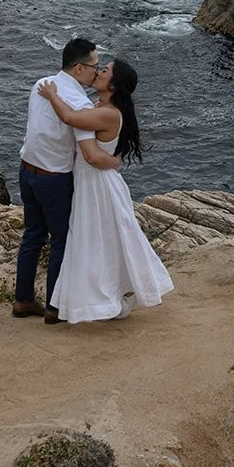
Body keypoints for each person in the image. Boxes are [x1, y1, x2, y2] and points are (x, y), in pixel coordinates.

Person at [37, 57, 174, 324]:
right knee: (104, 240)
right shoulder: (101, 107)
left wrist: (52, 94)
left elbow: (69, 118)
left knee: (96, 241)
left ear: (113, 85)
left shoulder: (108, 113)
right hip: (96, 181)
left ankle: (104, 299)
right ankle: (106, 298)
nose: (99, 72)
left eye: (106, 70)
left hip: (97, 185)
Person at [13, 37, 118, 322]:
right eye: (95, 66)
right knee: (61, 241)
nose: (97, 73)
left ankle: (22, 300)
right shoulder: (80, 104)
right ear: (79, 68)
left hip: (27, 170)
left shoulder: (42, 84)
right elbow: (89, 153)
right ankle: (54, 307)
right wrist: (114, 161)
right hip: (53, 179)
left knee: (32, 236)